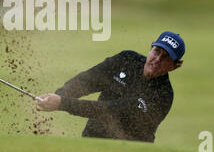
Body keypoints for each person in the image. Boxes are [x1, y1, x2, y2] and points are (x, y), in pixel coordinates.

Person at [36, 31, 185, 143]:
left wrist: (62, 103)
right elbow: (88, 80)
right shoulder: (127, 59)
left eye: (165, 57)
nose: (157, 59)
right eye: (157, 51)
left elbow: (109, 110)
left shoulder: (162, 95)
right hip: (92, 141)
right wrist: (59, 95)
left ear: (174, 66)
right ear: (150, 49)